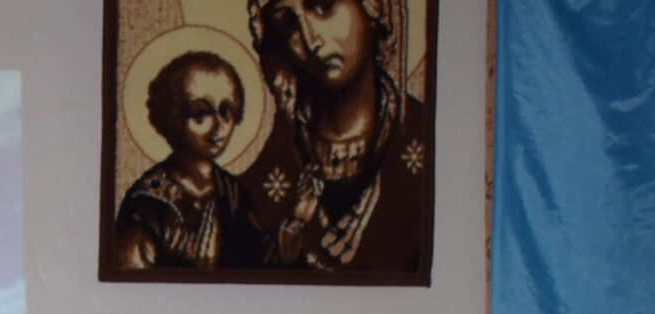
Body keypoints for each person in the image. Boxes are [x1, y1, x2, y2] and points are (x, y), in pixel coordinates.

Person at [240, 0, 433, 274]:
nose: (310, 41)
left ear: (375, 9)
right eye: (288, 24)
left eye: (323, 5)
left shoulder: (424, 145)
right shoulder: (266, 172)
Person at [111, 50, 253, 271]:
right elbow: (131, 281)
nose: (219, 126)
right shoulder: (147, 203)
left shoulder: (232, 192)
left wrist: (296, 222)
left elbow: (256, 259)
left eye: (226, 111)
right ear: (174, 117)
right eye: (201, 113)